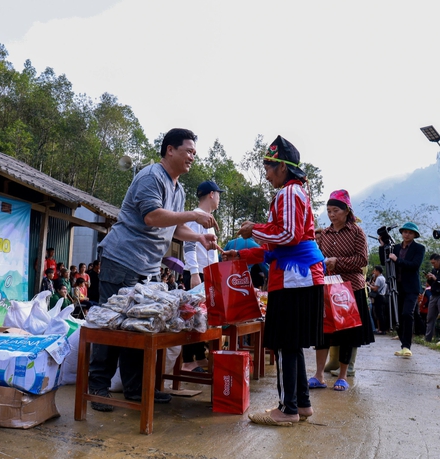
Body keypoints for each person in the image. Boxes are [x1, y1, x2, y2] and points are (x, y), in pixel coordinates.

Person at [88, 128, 221, 412]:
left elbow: (174, 226)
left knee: (140, 328)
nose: (192, 157)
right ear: (170, 150)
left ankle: (136, 389)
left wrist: (197, 236)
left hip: (147, 270)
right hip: (122, 261)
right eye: (188, 151)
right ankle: (97, 386)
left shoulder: (178, 187)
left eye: (194, 153)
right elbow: (152, 217)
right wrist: (194, 215)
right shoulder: (151, 177)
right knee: (111, 324)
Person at [222, 135, 324, 426]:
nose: (265, 173)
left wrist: (254, 229)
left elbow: (287, 235)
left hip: (295, 276)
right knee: (291, 344)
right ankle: (301, 404)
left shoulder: (290, 194)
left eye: (267, 166)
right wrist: (240, 255)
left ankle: (287, 408)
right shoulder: (292, 193)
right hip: (297, 274)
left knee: (282, 343)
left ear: (282, 167)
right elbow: (274, 246)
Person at [308, 190, 374, 392]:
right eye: (328, 211)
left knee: (347, 332)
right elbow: (316, 258)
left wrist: (338, 262)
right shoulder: (323, 235)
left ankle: (343, 376)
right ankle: (318, 375)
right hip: (327, 287)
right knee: (323, 332)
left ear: (346, 211)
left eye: (336, 210)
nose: (332, 214)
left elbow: (362, 260)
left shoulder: (357, 232)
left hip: (350, 288)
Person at [181, 180, 222, 371]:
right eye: (219, 194)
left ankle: (199, 355)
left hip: (208, 274)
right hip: (197, 274)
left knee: (202, 317)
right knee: (192, 316)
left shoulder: (209, 220)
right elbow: (188, 245)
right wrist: (195, 273)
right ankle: (188, 360)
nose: (219, 198)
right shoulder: (195, 217)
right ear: (211, 194)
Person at [379, 221, 425, 357]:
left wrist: (397, 260)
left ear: (414, 235)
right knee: (397, 315)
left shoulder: (419, 248)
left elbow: (414, 265)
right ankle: (403, 344)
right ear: (402, 233)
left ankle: (407, 346)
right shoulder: (396, 248)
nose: (407, 234)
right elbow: (384, 261)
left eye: (410, 233)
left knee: (407, 314)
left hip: (411, 287)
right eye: (405, 232)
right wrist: (382, 247)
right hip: (396, 287)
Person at [424, 253, 440, 342]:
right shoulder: (434, 270)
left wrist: (435, 279)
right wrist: (429, 278)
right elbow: (430, 284)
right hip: (433, 295)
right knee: (430, 317)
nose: (433, 265)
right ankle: (428, 338)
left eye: (434, 263)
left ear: (439, 261)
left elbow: (437, 281)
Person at [369, 265, 389, 334]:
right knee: (381, 313)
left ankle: (381, 329)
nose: (374, 272)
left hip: (379, 297)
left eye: (375, 271)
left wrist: (369, 285)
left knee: (379, 313)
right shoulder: (383, 278)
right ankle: (382, 329)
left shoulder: (378, 278)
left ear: (378, 271)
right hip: (382, 296)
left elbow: (375, 289)